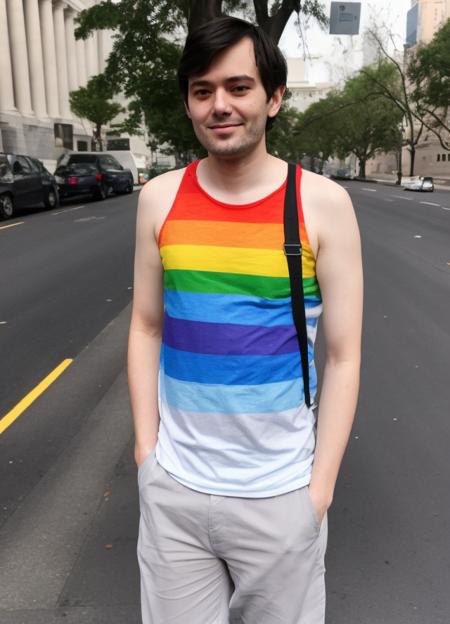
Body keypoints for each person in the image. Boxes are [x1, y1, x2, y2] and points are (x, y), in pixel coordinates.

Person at [128, 15, 363, 624]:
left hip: (280, 495)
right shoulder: (159, 198)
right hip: (174, 490)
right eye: (202, 91)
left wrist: (318, 493)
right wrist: (147, 454)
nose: (219, 105)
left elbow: (343, 356)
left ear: (274, 98)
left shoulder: (321, 204)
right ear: (188, 103)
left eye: (238, 87)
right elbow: (147, 326)